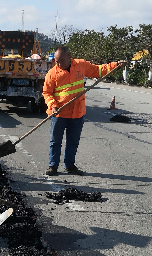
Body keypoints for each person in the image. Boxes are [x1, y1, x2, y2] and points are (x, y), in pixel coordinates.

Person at [42, 46, 123, 176]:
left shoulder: (81, 65)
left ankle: (70, 165)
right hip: (60, 113)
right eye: (56, 61)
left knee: (73, 140)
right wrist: (53, 105)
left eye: (61, 60)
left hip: (77, 113)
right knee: (55, 141)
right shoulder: (52, 73)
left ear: (69, 56)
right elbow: (47, 93)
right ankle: (53, 166)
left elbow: (98, 70)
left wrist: (116, 65)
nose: (58, 64)